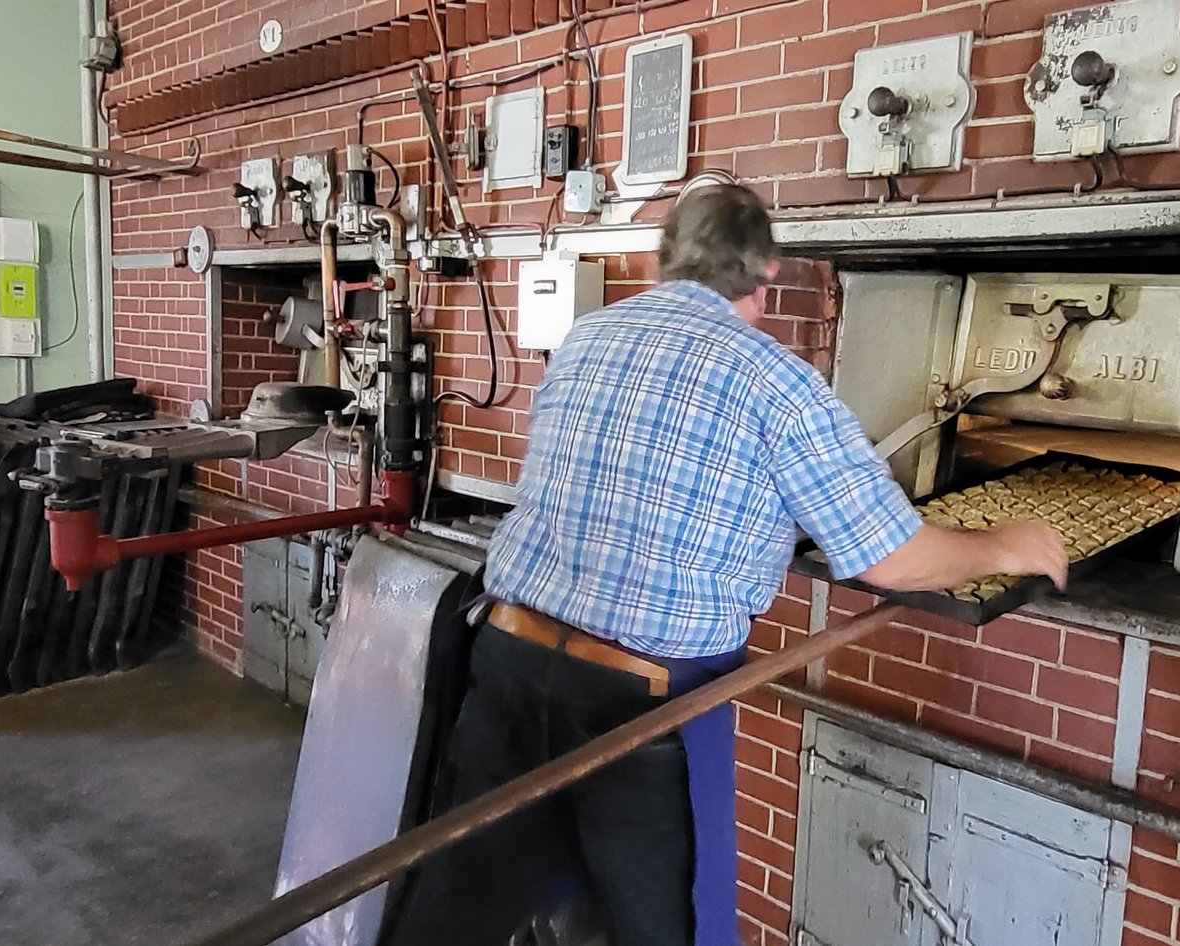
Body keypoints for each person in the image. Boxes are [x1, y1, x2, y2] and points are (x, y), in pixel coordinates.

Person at [388, 183, 1066, 946]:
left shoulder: (587, 338)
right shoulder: (775, 382)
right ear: (765, 274)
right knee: (672, 932)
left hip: (504, 663)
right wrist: (1007, 544)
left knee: (450, 922)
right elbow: (891, 556)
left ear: (664, 256)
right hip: (643, 711)